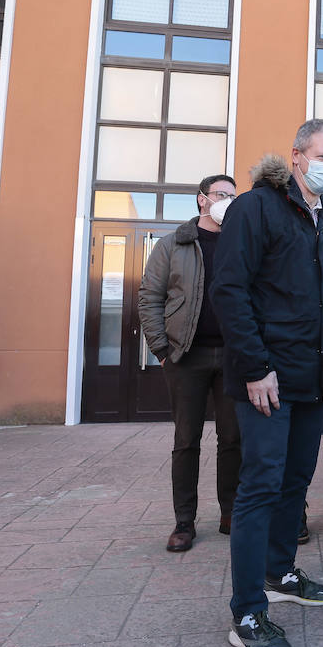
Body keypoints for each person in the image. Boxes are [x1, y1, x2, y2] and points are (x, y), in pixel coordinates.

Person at [210, 120, 323, 647]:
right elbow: (230, 291)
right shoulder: (256, 208)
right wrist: (256, 367)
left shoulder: (322, 217)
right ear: (296, 156)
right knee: (260, 488)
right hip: (266, 379)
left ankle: (280, 571)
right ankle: (247, 614)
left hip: (311, 379)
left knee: (294, 481)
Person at [138, 174, 242, 553]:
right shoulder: (173, 245)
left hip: (232, 357)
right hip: (185, 356)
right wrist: (162, 349)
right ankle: (184, 522)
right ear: (202, 199)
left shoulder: (240, 244)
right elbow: (149, 297)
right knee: (187, 441)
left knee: (233, 438)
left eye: (233, 196)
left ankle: (230, 512)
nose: (227, 201)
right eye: (220, 194)